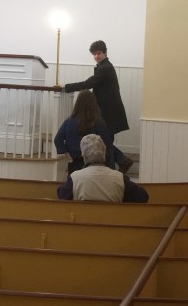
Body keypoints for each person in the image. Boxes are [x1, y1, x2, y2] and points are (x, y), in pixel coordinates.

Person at [63, 39, 134, 173]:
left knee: (105, 142)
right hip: (109, 111)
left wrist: (66, 87)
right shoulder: (103, 66)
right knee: (105, 141)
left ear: (105, 53)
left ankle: (117, 166)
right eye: (94, 54)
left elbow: (87, 84)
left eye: (99, 53)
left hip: (109, 113)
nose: (96, 56)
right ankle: (122, 161)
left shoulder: (105, 68)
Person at [57, 133, 149, 203]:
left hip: (83, 225)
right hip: (113, 225)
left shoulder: (75, 178)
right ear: (104, 153)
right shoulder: (119, 178)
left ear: (83, 155)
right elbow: (143, 197)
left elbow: (61, 195)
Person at [54, 90, 114, 174]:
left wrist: (66, 153)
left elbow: (57, 139)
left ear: (77, 104)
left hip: (74, 161)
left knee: (74, 184)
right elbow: (107, 144)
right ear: (94, 104)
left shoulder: (69, 121)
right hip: (94, 163)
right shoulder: (98, 122)